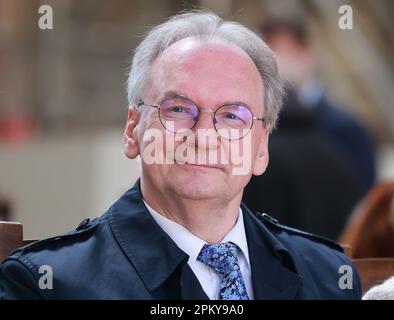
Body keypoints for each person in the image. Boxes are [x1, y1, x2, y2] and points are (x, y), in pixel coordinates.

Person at [0, 11, 361, 300]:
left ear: (261, 147)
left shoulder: (328, 276)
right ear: (133, 130)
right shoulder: (45, 286)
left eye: (232, 116)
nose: (204, 135)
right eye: (177, 109)